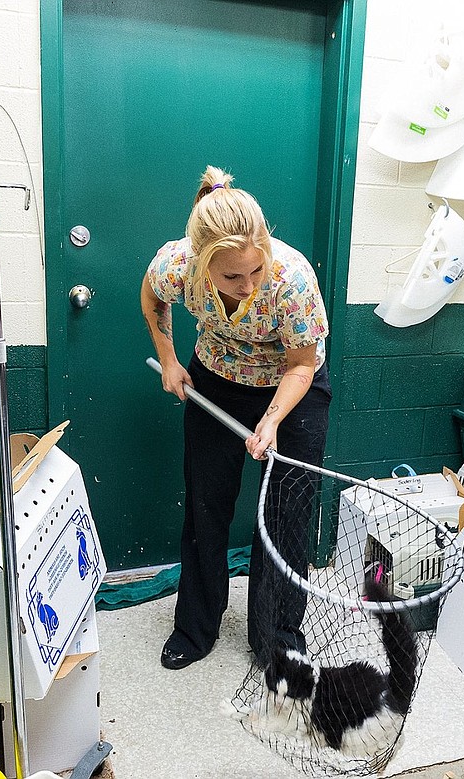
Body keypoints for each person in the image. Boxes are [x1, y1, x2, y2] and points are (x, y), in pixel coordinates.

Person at [141, 165, 331, 671]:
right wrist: (169, 357)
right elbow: (152, 296)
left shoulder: (291, 281)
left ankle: (277, 637)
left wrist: (270, 422)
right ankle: (195, 628)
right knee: (206, 505)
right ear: (203, 264)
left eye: (256, 270)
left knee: (287, 516)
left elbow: (302, 364)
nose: (248, 285)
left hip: (292, 388)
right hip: (218, 379)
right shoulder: (177, 265)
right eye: (231, 276)